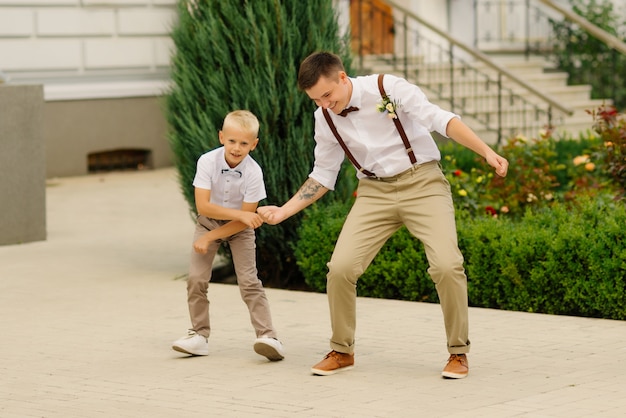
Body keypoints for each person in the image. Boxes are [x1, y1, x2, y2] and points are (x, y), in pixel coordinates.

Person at [257, 52, 508, 378]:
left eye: (327, 95)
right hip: (374, 192)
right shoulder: (325, 118)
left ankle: (458, 353)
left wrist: (486, 151)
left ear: (343, 78)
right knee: (340, 268)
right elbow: (322, 174)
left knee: (447, 265)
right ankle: (342, 350)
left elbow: (439, 119)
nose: (323, 104)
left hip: (422, 182)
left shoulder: (387, 88)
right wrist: (283, 211)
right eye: (315, 100)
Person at [172, 110, 285, 362]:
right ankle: (199, 335)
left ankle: (269, 336)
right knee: (196, 279)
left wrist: (224, 230)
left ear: (254, 145)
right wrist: (210, 235)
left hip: (239, 230)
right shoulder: (207, 161)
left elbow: (244, 221)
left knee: (248, 281)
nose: (236, 148)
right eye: (232, 140)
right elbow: (204, 207)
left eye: (244, 143)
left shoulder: (254, 172)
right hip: (208, 223)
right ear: (221, 137)